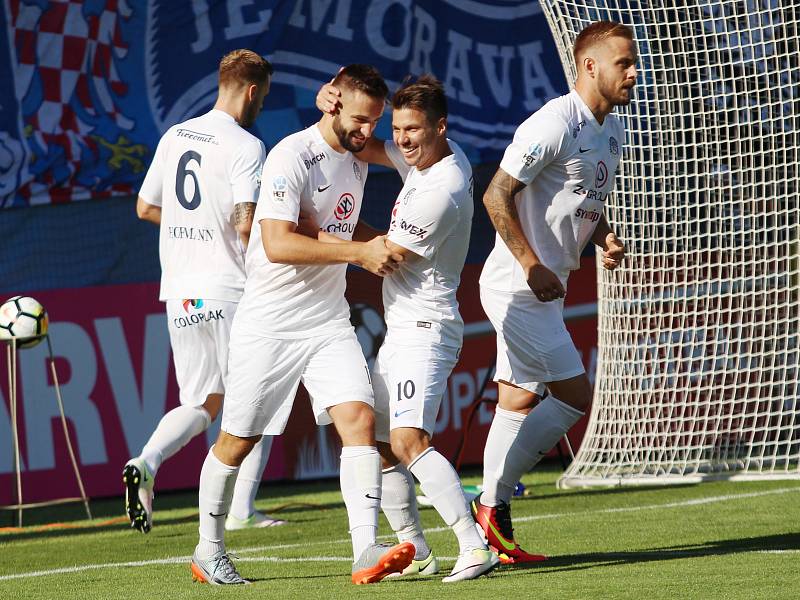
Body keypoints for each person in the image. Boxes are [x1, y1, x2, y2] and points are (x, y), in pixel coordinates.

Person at [189, 64, 414, 586]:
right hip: (269, 324)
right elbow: (277, 243)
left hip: (328, 320)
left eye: (374, 123)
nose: (367, 133)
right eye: (361, 121)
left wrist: (382, 241)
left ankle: (365, 550)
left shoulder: (356, 155)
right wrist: (361, 253)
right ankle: (208, 549)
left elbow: (344, 217)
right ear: (332, 104)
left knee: (358, 419)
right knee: (236, 440)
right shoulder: (290, 156)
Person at [316, 75, 498, 582]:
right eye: (396, 128)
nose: (401, 140)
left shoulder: (443, 189)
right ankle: (415, 549)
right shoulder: (429, 154)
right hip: (401, 329)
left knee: (408, 440)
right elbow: (366, 145)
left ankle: (474, 545)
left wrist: (322, 225)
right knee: (374, 441)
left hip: (426, 327)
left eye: (413, 129)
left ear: (440, 127)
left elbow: (386, 259)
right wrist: (331, 112)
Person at [473, 20, 636, 563]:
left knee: (518, 399)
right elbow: (497, 194)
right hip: (518, 286)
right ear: (590, 66)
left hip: (548, 285)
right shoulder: (553, 121)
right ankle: (491, 505)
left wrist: (604, 238)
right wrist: (530, 263)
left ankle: (489, 526)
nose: (634, 74)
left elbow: (581, 200)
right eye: (624, 64)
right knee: (575, 398)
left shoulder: (611, 131)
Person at [127, 49, 285, 534]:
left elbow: (144, 207)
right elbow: (244, 227)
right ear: (253, 91)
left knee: (202, 401)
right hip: (231, 290)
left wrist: (192, 227)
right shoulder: (246, 144)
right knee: (263, 396)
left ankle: (147, 463)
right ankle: (239, 509)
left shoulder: (176, 135)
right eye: (264, 96)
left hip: (181, 289)